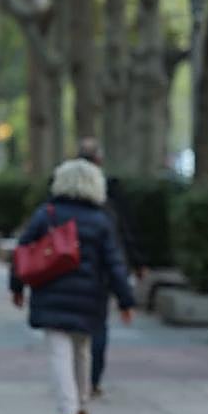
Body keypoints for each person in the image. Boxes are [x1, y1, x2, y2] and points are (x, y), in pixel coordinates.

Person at [9, 158, 136, 414]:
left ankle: (68, 410)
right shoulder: (100, 221)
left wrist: (16, 286)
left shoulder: (48, 214)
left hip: (51, 293)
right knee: (82, 349)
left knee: (59, 351)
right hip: (91, 296)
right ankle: (80, 403)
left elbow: (24, 250)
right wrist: (125, 300)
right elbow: (114, 263)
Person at [78, 137, 145, 397]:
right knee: (97, 325)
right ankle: (92, 380)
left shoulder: (61, 190)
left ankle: (79, 381)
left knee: (70, 330)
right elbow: (123, 234)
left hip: (69, 267)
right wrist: (127, 294)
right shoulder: (110, 194)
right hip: (100, 271)